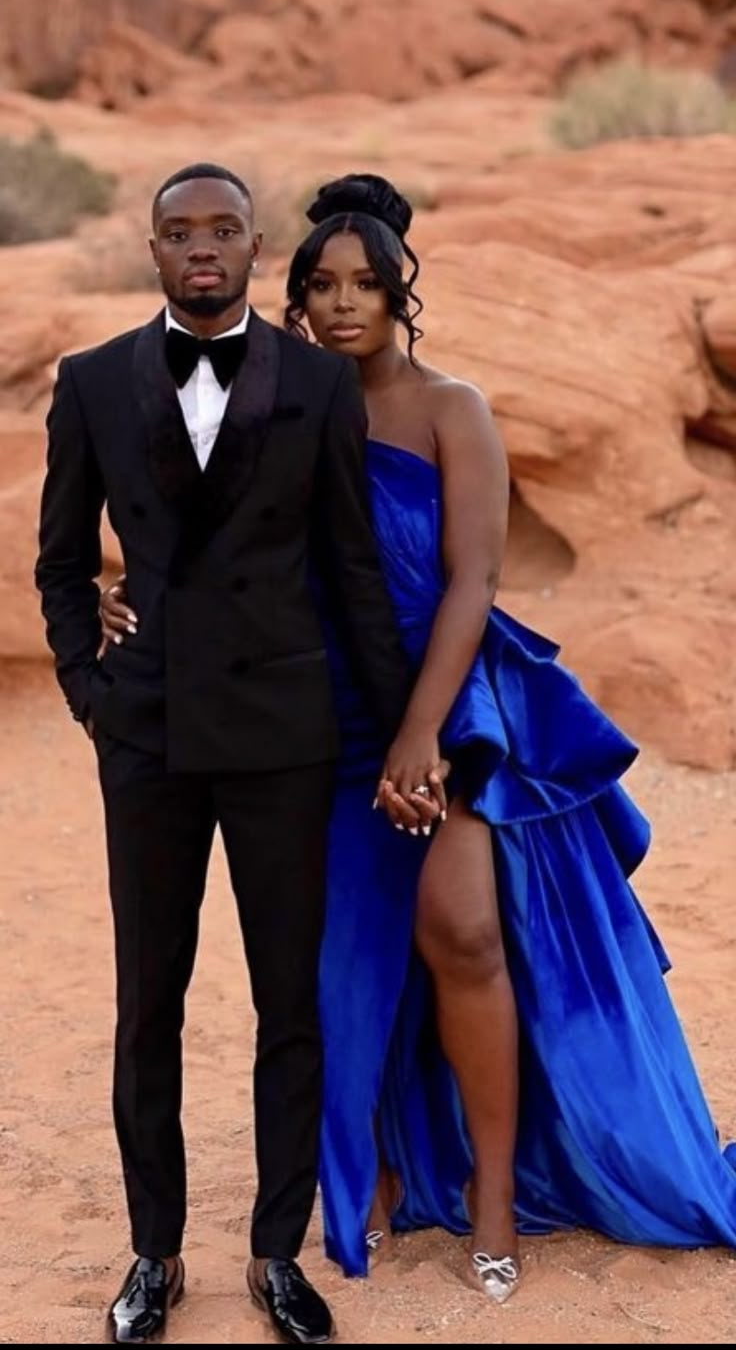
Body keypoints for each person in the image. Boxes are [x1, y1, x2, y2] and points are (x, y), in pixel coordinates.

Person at [102, 172, 736, 1306]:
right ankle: (388, 1174)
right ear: (293, 301)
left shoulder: (453, 410)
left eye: (367, 284)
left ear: (402, 296)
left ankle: (491, 1201)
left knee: (464, 935)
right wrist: (118, 600)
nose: (345, 304)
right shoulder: (274, 411)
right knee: (346, 961)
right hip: (315, 720)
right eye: (321, 286)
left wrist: (419, 738)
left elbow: (471, 582)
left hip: (445, 704)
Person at [35, 163, 438, 1347]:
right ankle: (153, 1255)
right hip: (148, 735)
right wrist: (87, 687)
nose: (199, 247)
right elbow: (62, 561)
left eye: (222, 229)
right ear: (150, 250)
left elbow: (354, 571)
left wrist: (403, 731)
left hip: (282, 735)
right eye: (177, 231)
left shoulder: (316, 382)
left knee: (288, 1003)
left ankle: (275, 1253)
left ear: (259, 249)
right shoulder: (95, 382)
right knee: (145, 999)